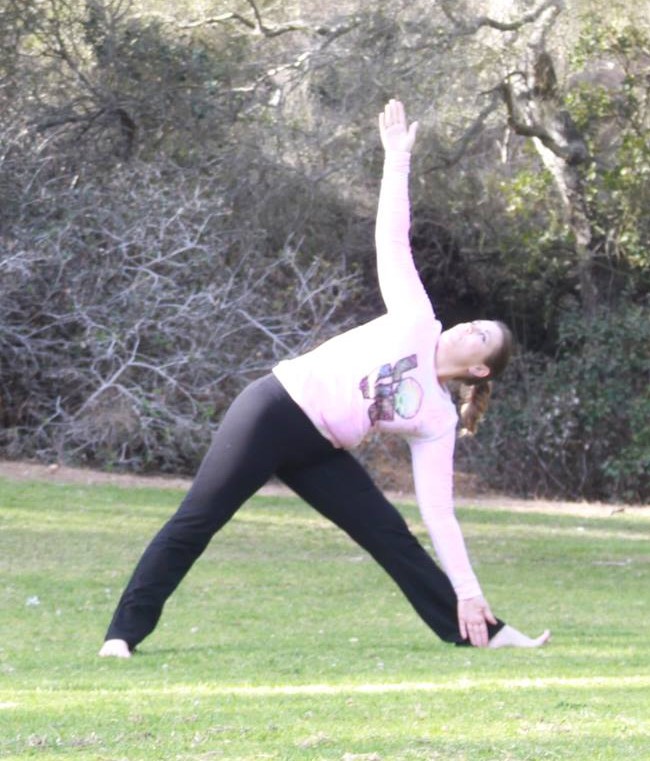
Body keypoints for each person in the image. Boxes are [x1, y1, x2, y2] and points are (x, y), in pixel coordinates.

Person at [100, 99, 550, 659]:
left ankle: (479, 629)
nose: (464, 329)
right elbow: (392, 240)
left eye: (477, 336)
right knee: (198, 520)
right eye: (471, 323)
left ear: (479, 369)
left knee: (390, 536)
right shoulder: (416, 319)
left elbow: (440, 511)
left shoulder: (436, 419)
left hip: (320, 449)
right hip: (274, 410)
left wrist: (470, 590)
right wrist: (397, 161)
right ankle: (121, 635)